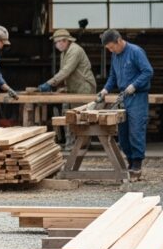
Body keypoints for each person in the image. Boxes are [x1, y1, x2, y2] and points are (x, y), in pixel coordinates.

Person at [97, 29, 154, 173]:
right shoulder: (115, 55)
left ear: (119, 40)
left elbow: (148, 71)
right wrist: (105, 90)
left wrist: (135, 85)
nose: (110, 51)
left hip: (137, 96)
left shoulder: (136, 52)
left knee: (136, 130)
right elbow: (113, 76)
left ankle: (137, 164)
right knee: (123, 133)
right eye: (108, 49)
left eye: (111, 47)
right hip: (124, 96)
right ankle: (130, 161)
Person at [39, 29, 96, 94]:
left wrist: (49, 83)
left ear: (66, 40)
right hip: (74, 87)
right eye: (56, 43)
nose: (57, 45)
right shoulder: (63, 53)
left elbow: (66, 70)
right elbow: (62, 71)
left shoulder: (75, 50)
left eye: (59, 42)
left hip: (84, 87)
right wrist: (62, 87)